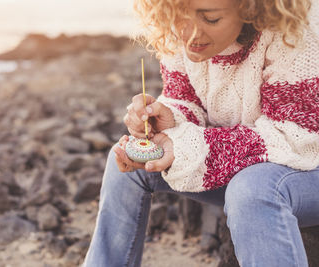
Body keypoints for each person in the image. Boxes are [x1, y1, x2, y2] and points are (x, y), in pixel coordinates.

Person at [83, 0, 319, 266]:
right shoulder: (177, 28)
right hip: (246, 162)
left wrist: (184, 147)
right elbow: (186, 99)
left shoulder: (296, 28)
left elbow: (296, 137)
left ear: (252, 8)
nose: (189, 34)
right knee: (128, 161)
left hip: (308, 167)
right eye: (179, 17)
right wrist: (166, 119)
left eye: (211, 19)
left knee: (252, 189)